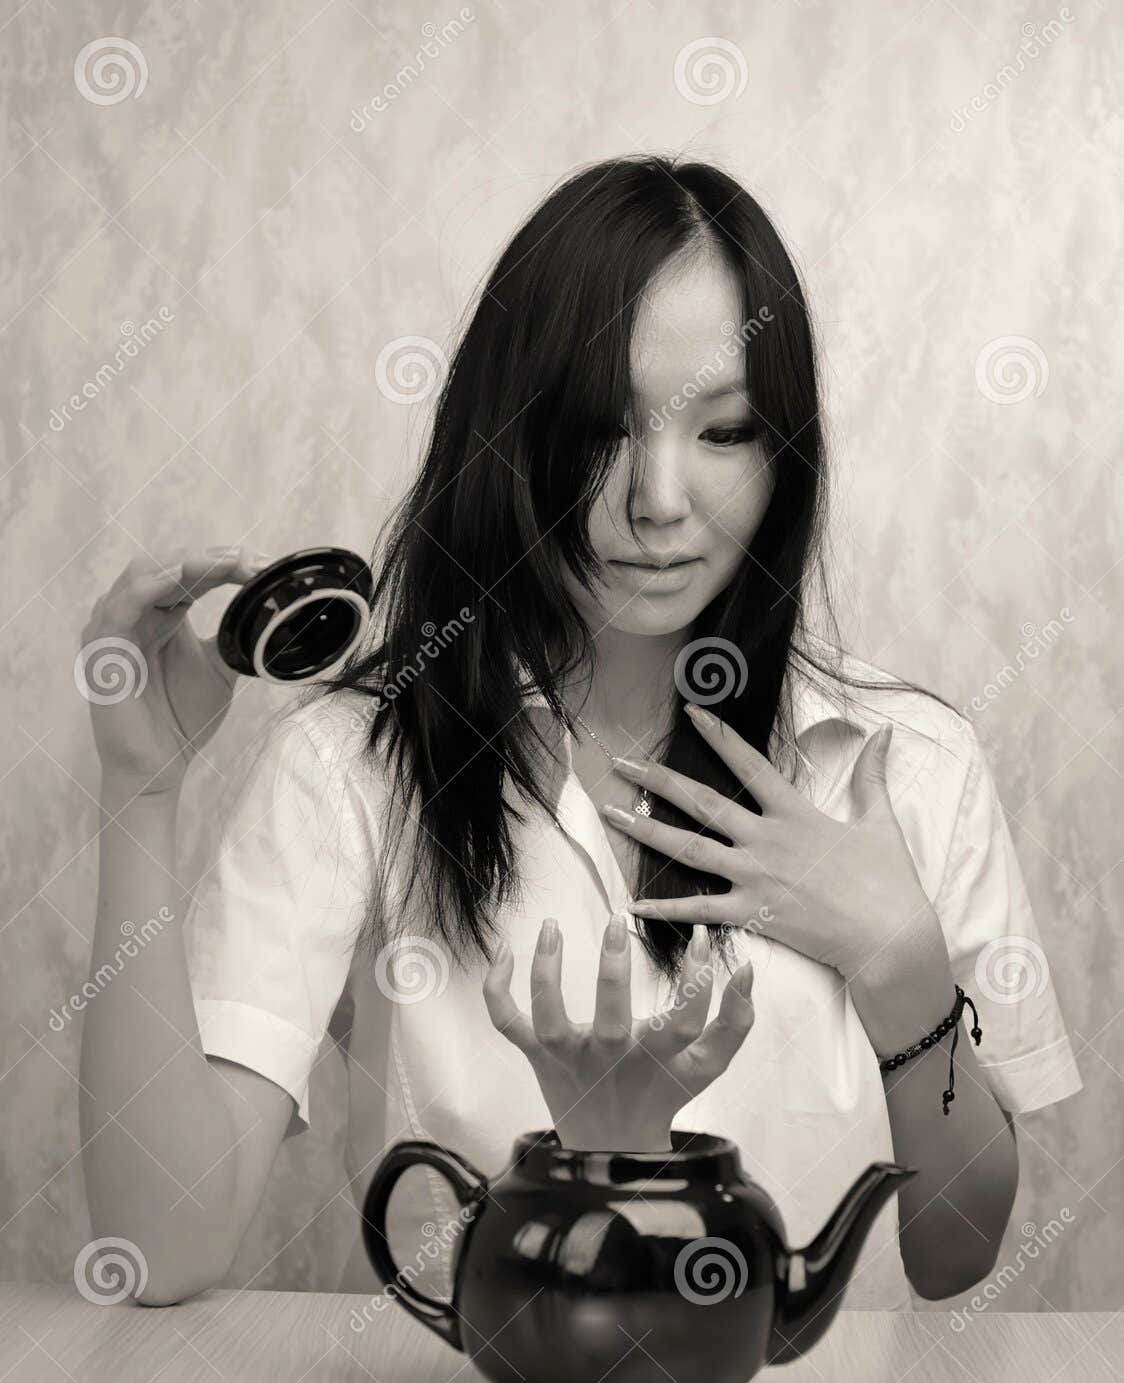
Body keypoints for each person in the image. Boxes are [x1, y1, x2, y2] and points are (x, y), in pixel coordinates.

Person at [77, 156, 1083, 1312]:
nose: (657, 500)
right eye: (596, 428)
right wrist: (140, 794)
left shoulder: (910, 763)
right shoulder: (348, 765)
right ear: (501, 435)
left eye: (725, 430)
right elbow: (158, 1245)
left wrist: (902, 972)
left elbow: (951, 1254)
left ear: (784, 452)